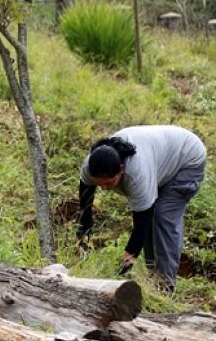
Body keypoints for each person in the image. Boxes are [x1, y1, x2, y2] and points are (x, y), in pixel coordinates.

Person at [76, 125, 206, 291]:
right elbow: (86, 194)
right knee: (152, 213)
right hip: (162, 157)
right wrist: (85, 226)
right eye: (99, 183)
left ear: (121, 170)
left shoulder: (136, 173)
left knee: (162, 215)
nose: (104, 188)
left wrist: (129, 256)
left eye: (108, 183)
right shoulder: (91, 165)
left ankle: (164, 285)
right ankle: (153, 276)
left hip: (187, 160)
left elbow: (143, 219)